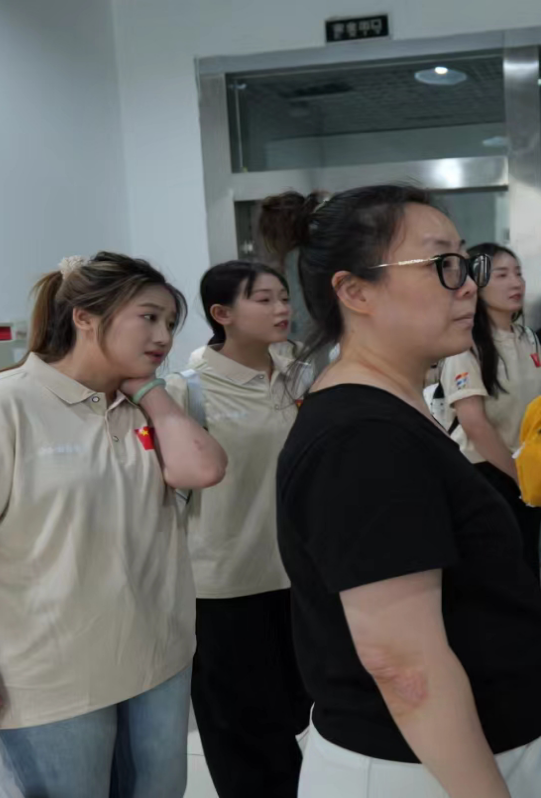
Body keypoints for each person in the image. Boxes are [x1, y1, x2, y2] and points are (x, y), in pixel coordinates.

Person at [267, 186, 541, 798]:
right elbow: (404, 667)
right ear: (355, 292)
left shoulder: (391, 412)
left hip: (458, 756)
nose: (468, 286)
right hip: (421, 772)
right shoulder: (362, 440)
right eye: (442, 264)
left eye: (466, 263)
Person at [0, 253, 228, 798]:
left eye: (171, 323)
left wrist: (151, 393)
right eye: (148, 317)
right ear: (84, 316)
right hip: (50, 676)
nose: (163, 337)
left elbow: (203, 471)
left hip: (158, 659)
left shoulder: (148, 403)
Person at [164, 261, 312, 797]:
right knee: (241, 728)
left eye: (283, 297)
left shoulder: (299, 375)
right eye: (264, 299)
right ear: (221, 314)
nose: (281, 309)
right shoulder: (187, 390)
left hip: (299, 576)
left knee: (296, 713)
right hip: (224, 585)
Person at [440, 243, 541, 578]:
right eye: (501, 275)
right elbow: (474, 424)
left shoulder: (527, 338)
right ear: (475, 284)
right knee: (496, 575)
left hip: (525, 471)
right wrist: (518, 476)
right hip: (484, 473)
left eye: (518, 273)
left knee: (526, 568)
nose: (516, 282)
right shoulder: (463, 344)